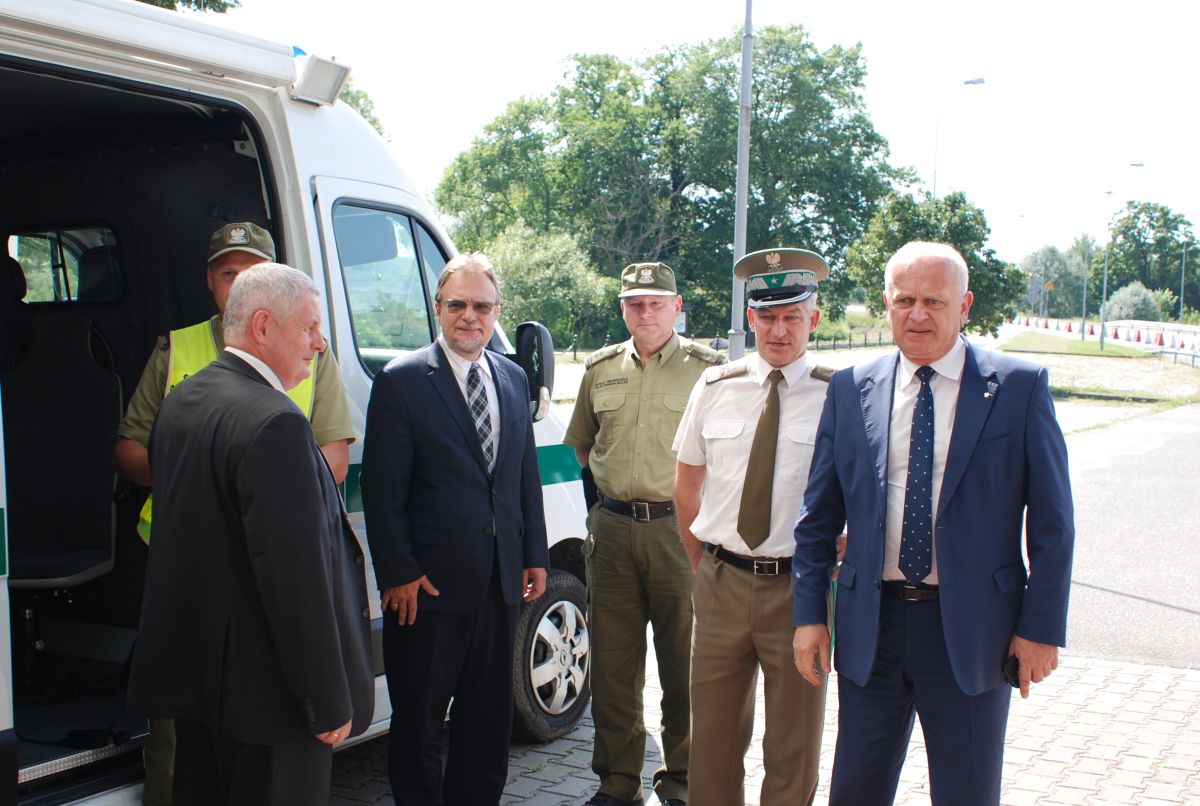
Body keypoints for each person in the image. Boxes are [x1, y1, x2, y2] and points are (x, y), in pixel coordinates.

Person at [791, 241, 1075, 805]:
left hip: (972, 633)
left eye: (934, 302)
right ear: (887, 304)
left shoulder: (1018, 388)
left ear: (964, 305)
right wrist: (809, 617)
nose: (917, 314)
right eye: (905, 300)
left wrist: (1041, 629)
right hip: (873, 630)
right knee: (854, 793)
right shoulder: (851, 388)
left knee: (967, 794)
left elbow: (1053, 524)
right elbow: (817, 517)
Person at [115, 221, 356, 805]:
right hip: (269, 704)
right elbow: (294, 581)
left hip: (198, 689)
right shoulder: (277, 423)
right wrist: (326, 701)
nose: (319, 343)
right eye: (310, 327)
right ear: (264, 326)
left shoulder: (184, 399)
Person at [360, 252, 549, 805]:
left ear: (497, 311)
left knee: (488, 719)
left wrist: (533, 554)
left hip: (499, 582)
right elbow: (383, 490)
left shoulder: (513, 378)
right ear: (438, 307)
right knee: (419, 721)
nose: (471, 316)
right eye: (458, 304)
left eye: (482, 306)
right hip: (427, 589)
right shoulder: (401, 381)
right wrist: (398, 571)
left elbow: (523, 476)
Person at [673, 248, 833, 806]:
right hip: (721, 583)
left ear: (814, 318)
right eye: (767, 316)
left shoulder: (840, 395)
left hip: (800, 592)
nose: (779, 329)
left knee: (794, 748)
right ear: (750, 318)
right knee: (712, 747)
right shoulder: (715, 385)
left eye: (792, 316)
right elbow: (686, 486)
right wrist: (703, 569)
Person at [565, 261, 726, 806]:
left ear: (677, 307)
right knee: (613, 667)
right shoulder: (600, 369)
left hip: (681, 535)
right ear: (623, 309)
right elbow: (584, 445)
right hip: (612, 534)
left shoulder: (711, 371)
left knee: (685, 665)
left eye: (657, 303)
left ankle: (682, 783)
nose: (646, 313)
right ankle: (617, 784)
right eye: (635, 303)